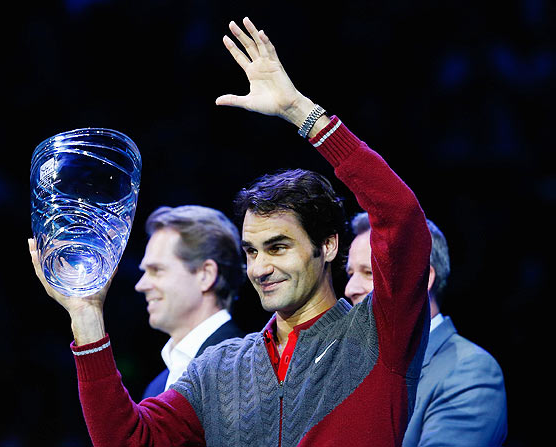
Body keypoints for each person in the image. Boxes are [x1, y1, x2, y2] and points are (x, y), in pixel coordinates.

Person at [29, 17, 432, 446]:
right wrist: (87, 316)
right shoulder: (218, 370)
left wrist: (299, 110)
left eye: (278, 247)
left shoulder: (379, 334)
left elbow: (401, 216)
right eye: (251, 251)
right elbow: (127, 441)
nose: (261, 267)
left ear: (328, 245)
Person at [345, 212, 508, 446]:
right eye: (350, 274)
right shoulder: (351, 367)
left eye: (369, 272)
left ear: (421, 278)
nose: (350, 289)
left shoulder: (470, 371)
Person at [135, 205, 245, 399]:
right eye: (145, 272)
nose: (141, 285)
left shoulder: (244, 366)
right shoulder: (157, 387)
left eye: (156, 270)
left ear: (205, 274)